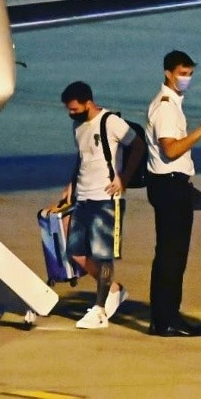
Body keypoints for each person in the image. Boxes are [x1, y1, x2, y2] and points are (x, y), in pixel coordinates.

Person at [145, 50, 201, 337]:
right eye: (182, 73)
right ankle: (165, 318)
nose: (186, 79)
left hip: (172, 184)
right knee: (171, 255)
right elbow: (171, 149)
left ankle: (166, 315)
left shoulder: (171, 103)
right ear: (168, 73)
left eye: (190, 74)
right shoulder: (166, 107)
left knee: (172, 253)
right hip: (169, 185)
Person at [57, 81, 145, 329]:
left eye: (74, 108)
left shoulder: (110, 122)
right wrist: (71, 185)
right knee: (75, 253)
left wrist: (124, 178)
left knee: (102, 255)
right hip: (83, 197)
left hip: (106, 198)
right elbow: (82, 158)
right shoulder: (78, 126)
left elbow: (137, 145)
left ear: (88, 102)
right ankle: (114, 290)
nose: (70, 113)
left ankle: (99, 310)